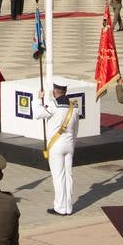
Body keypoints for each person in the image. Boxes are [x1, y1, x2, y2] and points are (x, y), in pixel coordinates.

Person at [35, 78, 79, 216]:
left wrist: (38, 99)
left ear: (55, 91)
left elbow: (37, 114)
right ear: (65, 91)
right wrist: (73, 143)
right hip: (69, 144)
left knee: (58, 176)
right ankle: (68, 207)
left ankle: (60, 207)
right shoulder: (74, 107)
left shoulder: (53, 105)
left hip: (56, 145)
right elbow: (76, 129)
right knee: (68, 176)